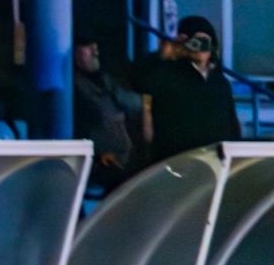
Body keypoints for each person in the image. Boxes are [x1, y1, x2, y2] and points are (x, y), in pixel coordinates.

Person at [146, 16, 240, 163]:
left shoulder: (220, 82)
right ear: (185, 44)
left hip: (214, 163)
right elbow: (139, 81)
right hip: (177, 162)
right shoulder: (167, 76)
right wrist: (162, 55)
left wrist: (233, 155)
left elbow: (232, 125)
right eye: (195, 42)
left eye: (205, 42)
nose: (200, 47)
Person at [73, 32, 144, 189]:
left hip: (124, 159)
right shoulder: (74, 88)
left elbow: (136, 105)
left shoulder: (107, 80)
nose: (94, 50)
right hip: (101, 163)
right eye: (87, 46)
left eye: (95, 45)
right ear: (75, 52)